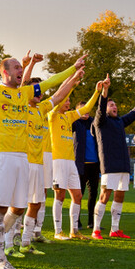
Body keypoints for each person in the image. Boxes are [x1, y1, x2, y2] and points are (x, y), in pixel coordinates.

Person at [0, 26, 83, 269]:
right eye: (16, 67)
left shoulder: (26, 94)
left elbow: (51, 84)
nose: (20, 70)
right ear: (4, 72)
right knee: (0, 208)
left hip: (22, 159)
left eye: (20, 68)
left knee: (19, 208)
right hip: (2, 158)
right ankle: (0, 258)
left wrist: (73, 69)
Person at [9, 69, 86, 255]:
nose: (39, 93)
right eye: (35, 90)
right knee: (19, 203)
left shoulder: (44, 109)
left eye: (40, 91)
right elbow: (20, 89)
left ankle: (29, 239)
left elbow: (59, 94)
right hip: (24, 160)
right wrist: (31, 64)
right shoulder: (21, 106)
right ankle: (9, 241)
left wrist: (74, 78)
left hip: (41, 161)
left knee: (37, 201)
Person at [92, 79, 135, 240]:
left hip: (123, 166)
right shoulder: (100, 121)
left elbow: (134, 113)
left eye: (115, 105)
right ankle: (96, 229)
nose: (114, 107)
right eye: (110, 105)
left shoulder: (120, 121)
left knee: (120, 196)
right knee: (104, 196)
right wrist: (104, 92)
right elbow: (100, 107)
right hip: (109, 165)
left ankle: (115, 229)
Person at [48, 76, 103, 240]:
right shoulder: (52, 116)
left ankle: (74, 230)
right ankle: (58, 231)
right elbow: (58, 95)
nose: (68, 103)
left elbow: (87, 107)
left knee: (77, 195)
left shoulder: (69, 116)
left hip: (70, 163)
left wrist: (97, 92)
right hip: (58, 161)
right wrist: (70, 84)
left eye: (69, 100)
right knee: (60, 195)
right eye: (66, 100)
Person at [72, 101, 100, 230]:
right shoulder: (75, 123)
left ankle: (91, 221)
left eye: (88, 109)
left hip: (95, 165)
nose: (86, 111)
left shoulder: (95, 123)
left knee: (93, 194)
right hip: (80, 165)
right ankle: (76, 221)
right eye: (82, 109)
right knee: (79, 194)